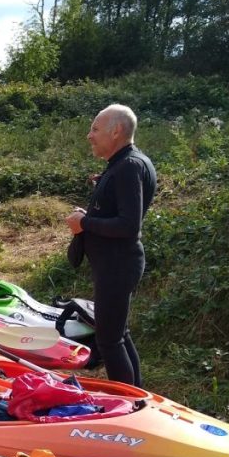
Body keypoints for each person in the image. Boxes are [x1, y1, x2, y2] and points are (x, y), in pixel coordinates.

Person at [66, 103, 156, 387]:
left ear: (116, 131)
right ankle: (136, 395)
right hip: (114, 264)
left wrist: (85, 223)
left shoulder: (129, 166)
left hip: (118, 264)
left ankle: (128, 404)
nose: (89, 135)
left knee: (108, 341)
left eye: (95, 128)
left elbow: (129, 225)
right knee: (118, 334)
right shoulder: (125, 163)